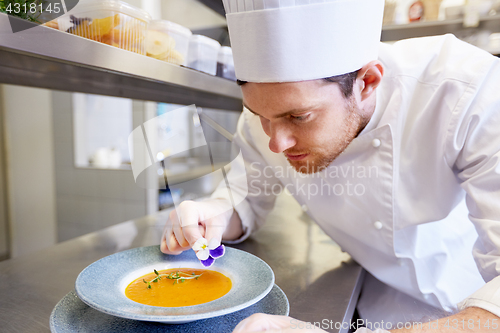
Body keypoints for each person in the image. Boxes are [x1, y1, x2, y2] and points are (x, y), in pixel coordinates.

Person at [161, 0, 500, 331]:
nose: (276, 143)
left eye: (299, 117)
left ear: (366, 83)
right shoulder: (267, 120)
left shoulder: (466, 91)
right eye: (260, 116)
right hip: (377, 302)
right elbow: (245, 199)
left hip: (472, 304)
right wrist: (214, 213)